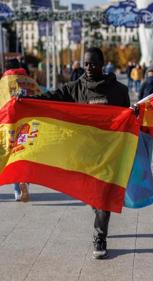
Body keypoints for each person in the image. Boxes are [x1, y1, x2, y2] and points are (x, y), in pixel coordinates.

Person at [25, 47, 130, 259]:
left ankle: (100, 237)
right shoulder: (76, 88)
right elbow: (53, 97)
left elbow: (127, 119)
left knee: (102, 196)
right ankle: (98, 210)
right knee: (93, 196)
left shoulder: (118, 91)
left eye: (92, 63)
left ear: (102, 64)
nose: (88, 67)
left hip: (108, 152)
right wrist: (28, 100)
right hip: (84, 152)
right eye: (86, 63)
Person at [1, 58, 30, 202]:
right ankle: (25, 181)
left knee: (12, 154)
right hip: (27, 123)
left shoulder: (4, 82)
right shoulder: (27, 80)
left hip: (8, 124)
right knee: (24, 153)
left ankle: (17, 190)